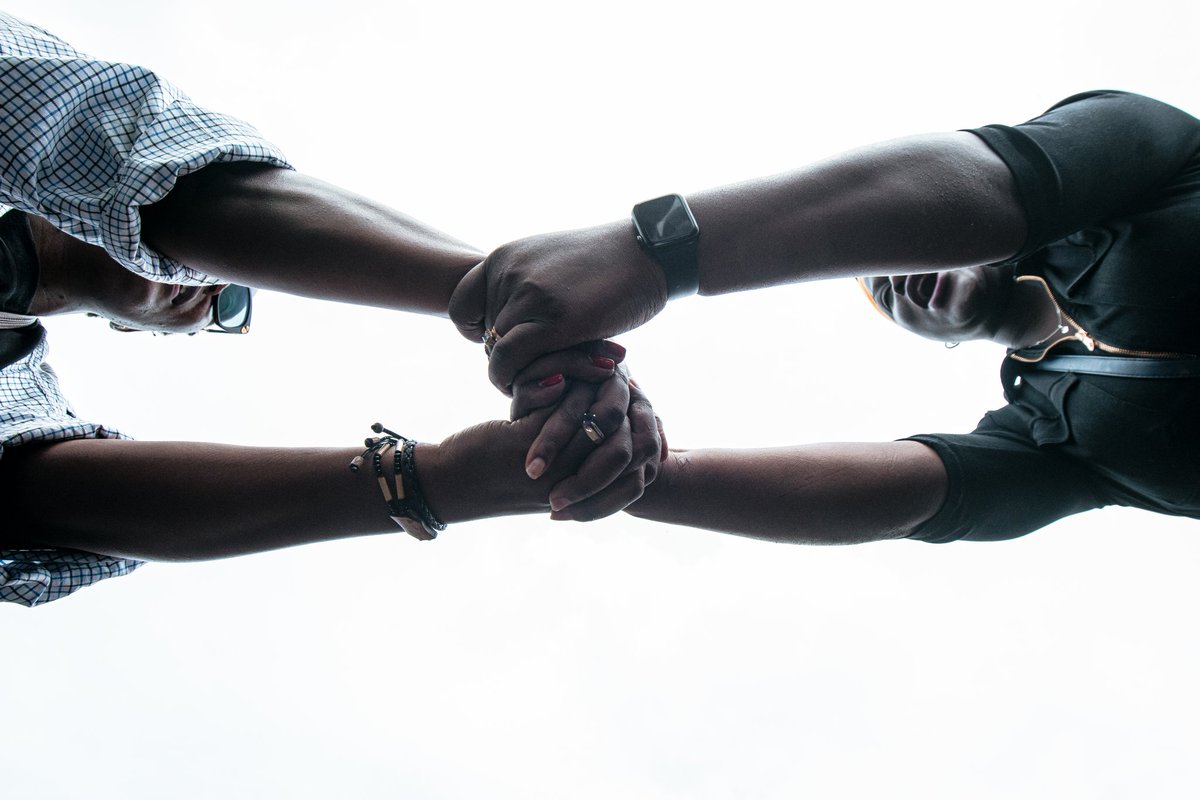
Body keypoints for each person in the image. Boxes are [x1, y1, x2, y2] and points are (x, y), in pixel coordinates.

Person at [0, 12, 660, 606]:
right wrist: (492, 292)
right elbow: (146, 167)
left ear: (135, 327)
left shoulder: (14, 399)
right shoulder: (42, 88)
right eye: (233, 274)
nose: (210, 290)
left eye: (224, 308)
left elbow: (41, 499)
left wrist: (445, 478)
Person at [451, 89, 1200, 543]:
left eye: (896, 255)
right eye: (884, 295)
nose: (898, 279)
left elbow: (983, 187)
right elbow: (907, 492)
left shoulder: (1155, 164)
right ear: (929, 341)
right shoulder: (1051, 440)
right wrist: (639, 474)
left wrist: (648, 253)